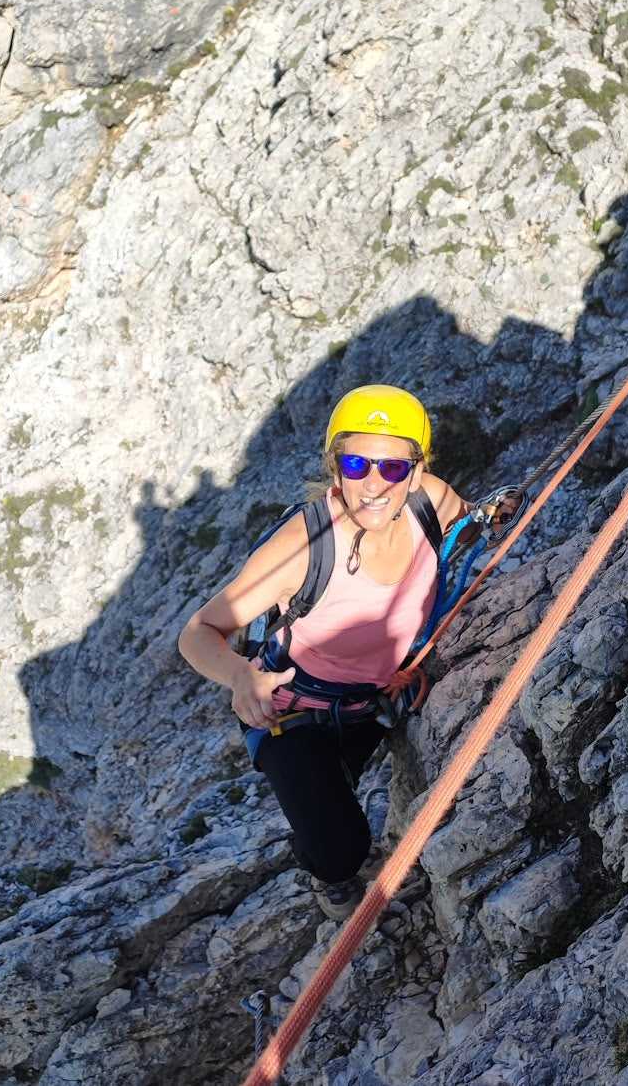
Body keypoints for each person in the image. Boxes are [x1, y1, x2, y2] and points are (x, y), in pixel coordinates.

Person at [179, 384, 469, 919]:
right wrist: (242, 678)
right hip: (291, 712)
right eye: (357, 464)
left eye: (394, 468)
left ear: (418, 469)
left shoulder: (434, 502)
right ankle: (325, 873)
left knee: (342, 792)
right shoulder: (305, 545)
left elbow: (469, 532)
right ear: (335, 467)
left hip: (373, 703)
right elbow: (198, 631)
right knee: (341, 849)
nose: (375, 483)